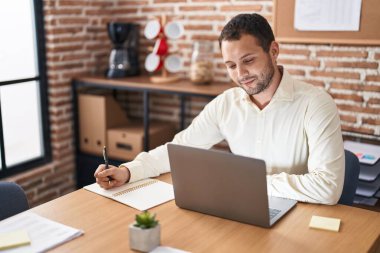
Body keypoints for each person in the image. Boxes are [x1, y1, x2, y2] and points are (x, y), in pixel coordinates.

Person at [95, 13, 344, 205]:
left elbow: (328, 187)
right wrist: (128, 171)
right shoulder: (226, 104)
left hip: (298, 214)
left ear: (274, 51)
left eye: (248, 61)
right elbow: (178, 150)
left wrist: (248, 184)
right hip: (241, 208)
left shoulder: (316, 104)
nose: (241, 74)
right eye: (231, 65)